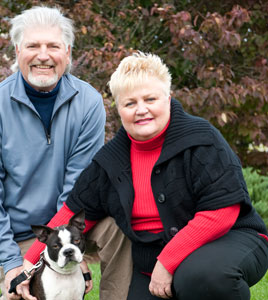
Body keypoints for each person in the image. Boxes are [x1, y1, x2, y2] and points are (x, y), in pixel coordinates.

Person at [22, 51, 268, 300]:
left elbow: (221, 213)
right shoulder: (109, 162)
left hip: (227, 242)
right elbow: (69, 213)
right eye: (130, 103)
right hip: (151, 262)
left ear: (168, 98)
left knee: (200, 277)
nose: (141, 110)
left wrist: (168, 262)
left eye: (150, 99)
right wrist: (27, 268)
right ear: (119, 109)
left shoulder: (202, 140)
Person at [0, 6, 129, 300]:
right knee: (21, 293)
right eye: (33, 46)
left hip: (78, 223)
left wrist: (71, 251)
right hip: (22, 236)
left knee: (120, 227)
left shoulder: (89, 103)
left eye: (53, 46)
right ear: (17, 51)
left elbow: (78, 185)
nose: (43, 55)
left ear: (67, 52)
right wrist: (15, 264)